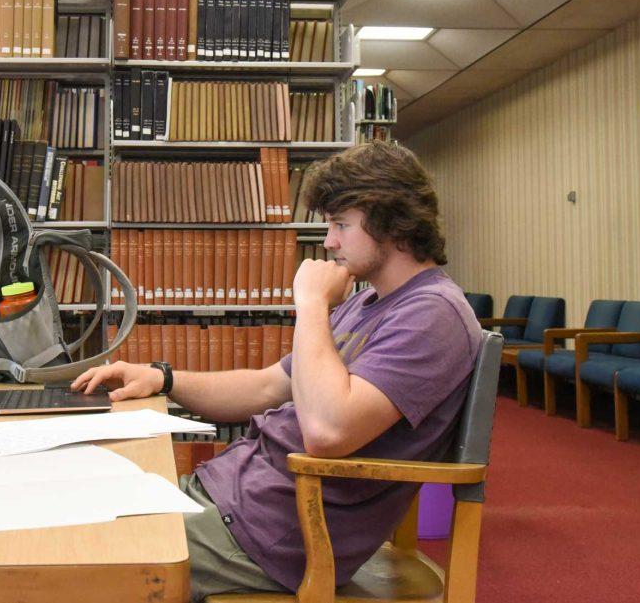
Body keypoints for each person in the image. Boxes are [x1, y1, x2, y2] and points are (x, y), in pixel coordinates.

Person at [72, 141, 482, 601]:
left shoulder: (432, 315)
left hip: (272, 537)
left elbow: (328, 431)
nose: (329, 243)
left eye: (341, 225)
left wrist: (309, 303)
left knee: (71, 557)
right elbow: (269, 383)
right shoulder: (370, 303)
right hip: (237, 500)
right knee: (74, 507)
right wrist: (164, 378)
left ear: (392, 222)